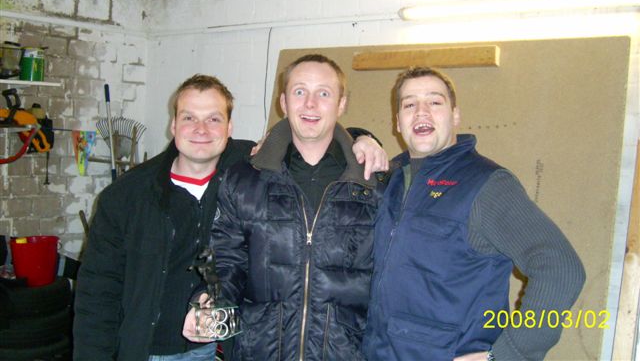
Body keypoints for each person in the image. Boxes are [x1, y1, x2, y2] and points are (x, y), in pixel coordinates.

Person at [73, 73, 386, 361]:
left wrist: (362, 139)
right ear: (173, 125)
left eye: (214, 118)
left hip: (226, 350)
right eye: (189, 118)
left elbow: (313, 138)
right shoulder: (127, 195)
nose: (201, 129)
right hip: (151, 351)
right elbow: (97, 292)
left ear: (230, 128)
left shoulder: (252, 172)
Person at [363, 67, 586, 361]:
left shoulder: (486, 184)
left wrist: (508, 354)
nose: (421, 112)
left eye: (434, 102)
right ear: (398, 122)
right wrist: (359, 136)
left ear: (455, 115)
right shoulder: (390, 180)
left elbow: (561, 268)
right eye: (409, 104)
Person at [183, 54, 385, 360]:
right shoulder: (245, 179)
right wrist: (211, 298)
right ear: (283, 102)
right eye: (300, 91)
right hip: (260, 352)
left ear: (341, 104)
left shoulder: (373, 186)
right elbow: (227, 259)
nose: (310, 104)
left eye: (324, 93)